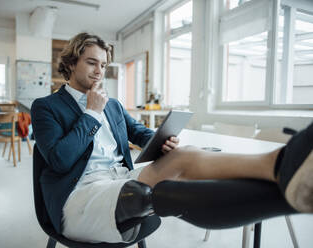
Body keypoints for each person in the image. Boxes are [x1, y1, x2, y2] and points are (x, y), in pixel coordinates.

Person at [31, 32, 313, 244]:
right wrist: (92, 113)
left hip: (118, 177)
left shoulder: (112, 104)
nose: (99, 72)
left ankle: (280, 163)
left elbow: (138, 132)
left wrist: (159, 140)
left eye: (104, 65)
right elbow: (59, 160)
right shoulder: (46, 107)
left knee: (184, 155)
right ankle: (288, 199)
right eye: (92, 63)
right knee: (144, 195)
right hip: (80, 195)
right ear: (70, 63)